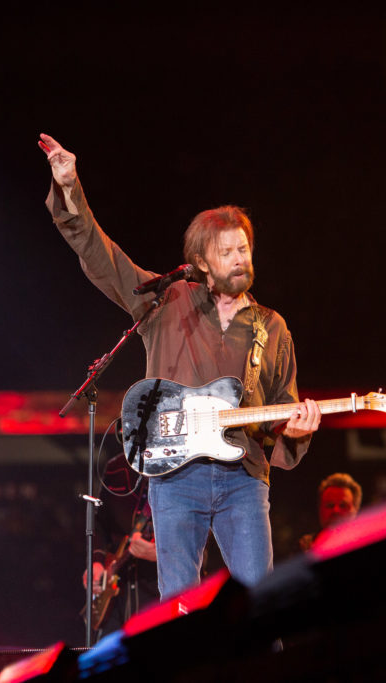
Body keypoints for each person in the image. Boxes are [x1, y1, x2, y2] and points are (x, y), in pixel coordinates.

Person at [39, 134, 321, 600]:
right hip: (174, 478)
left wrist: (295, 430)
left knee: (260, 605)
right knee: (179, 611)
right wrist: (70, 187)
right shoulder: (168, 300)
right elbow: (102, 257)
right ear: (201, 263)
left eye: (243, 249)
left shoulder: (271, 327)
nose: (239, 259)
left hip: (244, 480)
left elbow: (281, 410)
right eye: (227, 251)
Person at [84, 454, 158, 635]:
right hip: (118, 597)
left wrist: (163, 554)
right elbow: (99, 522)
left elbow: (204, 530)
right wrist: (97, 561)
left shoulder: (184, 463)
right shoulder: (116, 466)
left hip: (158, 594)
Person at [298, 472, 363, 551]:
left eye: (343, 505)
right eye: (330, 505)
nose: (336, 510)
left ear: (356, 510)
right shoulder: (304, 548)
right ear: (320, 509)